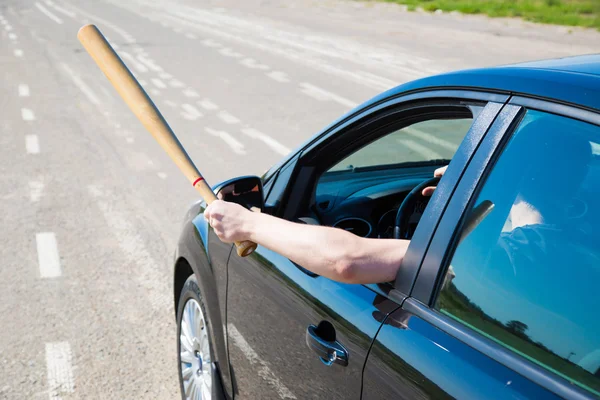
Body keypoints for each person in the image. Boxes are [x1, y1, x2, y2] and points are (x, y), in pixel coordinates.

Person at [204, 166, 448, 284]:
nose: (441, 172)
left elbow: (346, 261)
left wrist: (247, 223)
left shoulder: (452, 252)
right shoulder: (477, 241)